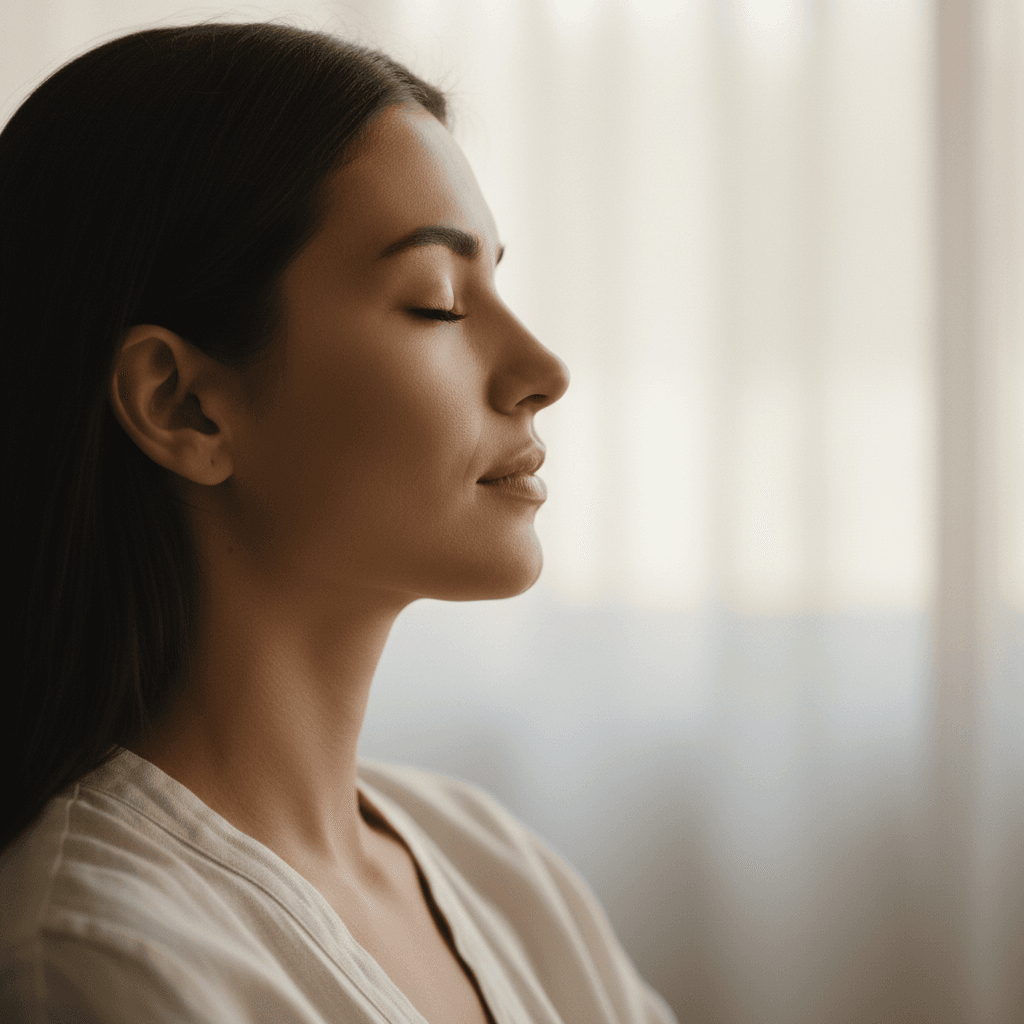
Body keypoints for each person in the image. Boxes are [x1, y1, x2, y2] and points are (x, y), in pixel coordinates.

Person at [0, 22, 678, 1024]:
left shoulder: (493, 863)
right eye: (438, 302)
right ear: (183, 404)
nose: (543, 370)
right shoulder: (98, 964)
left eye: (496, 283)